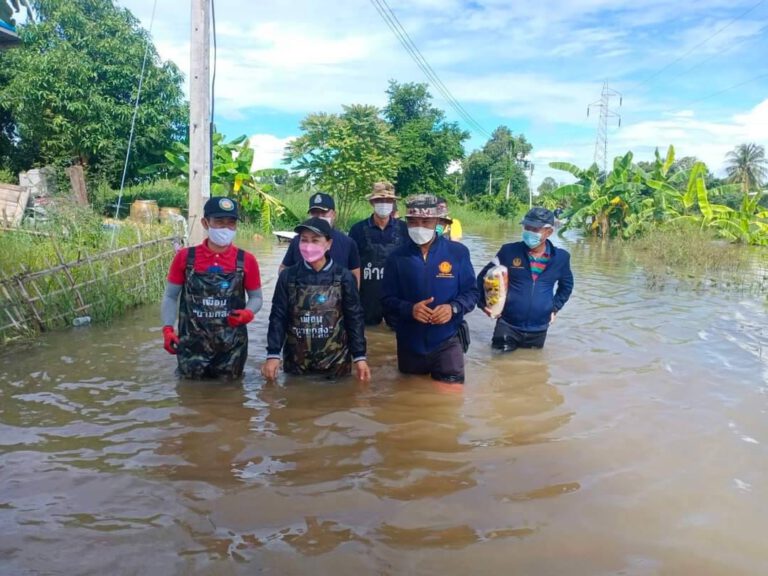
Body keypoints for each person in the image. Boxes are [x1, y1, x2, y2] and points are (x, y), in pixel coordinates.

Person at [161, 197, 262, 378]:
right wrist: (168, 329)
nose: (225, 227)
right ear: (205, 222)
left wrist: (248, 313)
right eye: (219, 222)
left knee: (231, 396)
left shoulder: (246, 260)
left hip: (232, 348)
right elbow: (170, 296)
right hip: (192, 347)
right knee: (190, 397)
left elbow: (256, 298)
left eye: (231, 223)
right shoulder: (185, 258)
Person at [381, 194, 478, 384]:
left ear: (438, 222)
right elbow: (385, 299)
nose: (419, 227)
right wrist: (409, 309)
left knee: (449, 405)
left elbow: (472, 293)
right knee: (410, 402)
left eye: (426, 221)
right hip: (410, 344)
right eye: (413, 222)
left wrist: (453, 308)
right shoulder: (396, 257)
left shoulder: (458, 253)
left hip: (447, 342)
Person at [262, 217, 370, 381]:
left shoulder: (344, 277)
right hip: (296, 363)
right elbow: (278, 317)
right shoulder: (288, 276)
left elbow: (354, 318)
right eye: (303, 240)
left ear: (328, 244)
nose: (308, 245)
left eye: (315, 240)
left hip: (336, 363)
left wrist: (360, 357)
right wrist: (273, 354)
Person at [476, 206, 574, 353]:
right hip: (507, 325)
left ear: (549, 232)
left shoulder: (561, 258)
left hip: (539, 329)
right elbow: (482, 278)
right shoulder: (508, 251)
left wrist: (554, 307)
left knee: (533, 371)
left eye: (535, 229)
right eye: (527, 227)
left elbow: (566, 286)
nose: (529, 232)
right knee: (499, 369)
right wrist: (483, 305)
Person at [348, 181, 409, 326]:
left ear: (393, 203)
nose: (384, 203)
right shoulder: (357, 230)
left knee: (396, 336)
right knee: (368, 334)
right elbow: (351, 265)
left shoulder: (404, 229)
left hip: (396, 296)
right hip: (367, 298)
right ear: (372, 202)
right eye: (379, 200)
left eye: (388, 200)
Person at [279, 192, 361, 286]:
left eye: (323, 213)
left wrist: (353, 296)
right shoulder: (297, 241)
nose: (319, 217)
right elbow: (283, 268)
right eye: (315, 213)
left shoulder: (348, 243)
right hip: (302, 296)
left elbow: (355, 275)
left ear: (334, 214)